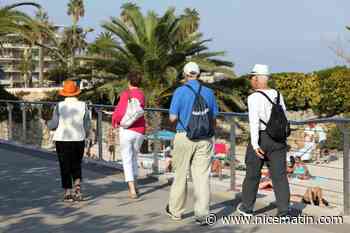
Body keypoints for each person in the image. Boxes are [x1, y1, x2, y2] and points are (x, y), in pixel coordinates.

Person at [166, 62, 219, 225]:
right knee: (202, 177)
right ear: (198, 73)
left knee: (180, 175)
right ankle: (202, 214)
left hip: (184, 136)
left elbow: (173, 118)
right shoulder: (209, 92)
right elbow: (214, 117)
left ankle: (176, 212)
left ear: (185, 74)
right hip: (204, 138)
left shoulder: (180, 92)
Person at [238, 64, 290, 217]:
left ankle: (247, 207)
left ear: (256, 78)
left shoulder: (253, 97)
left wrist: (254, 144)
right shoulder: (278, 95)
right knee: (279, 176)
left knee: (253, 173)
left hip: (261, 137)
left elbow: (254, 122)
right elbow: (284, 117)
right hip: (279, 139)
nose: (251, 81)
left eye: (252, 78)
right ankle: (284, 211)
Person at [48, 80, 91, 202]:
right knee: (77, 163)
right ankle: (77, 189)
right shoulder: (84, 105)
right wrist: (86, 133)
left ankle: (67, 192)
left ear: (64, 93)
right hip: (79, 138)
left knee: (64, 165)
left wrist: (48, 125)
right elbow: (87, 124)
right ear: (76, 93)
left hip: (62, 139)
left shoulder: (59, 106)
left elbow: (54, 124)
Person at [112, 72, 146, 199]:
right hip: (139, 130)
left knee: (127, 159)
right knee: (134, 157)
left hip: (126, 130)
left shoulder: (126, 94)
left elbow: (120, 112)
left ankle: (132, 190)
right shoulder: (142, 95)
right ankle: (136, 184)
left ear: (129, 82)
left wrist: (115, 121)